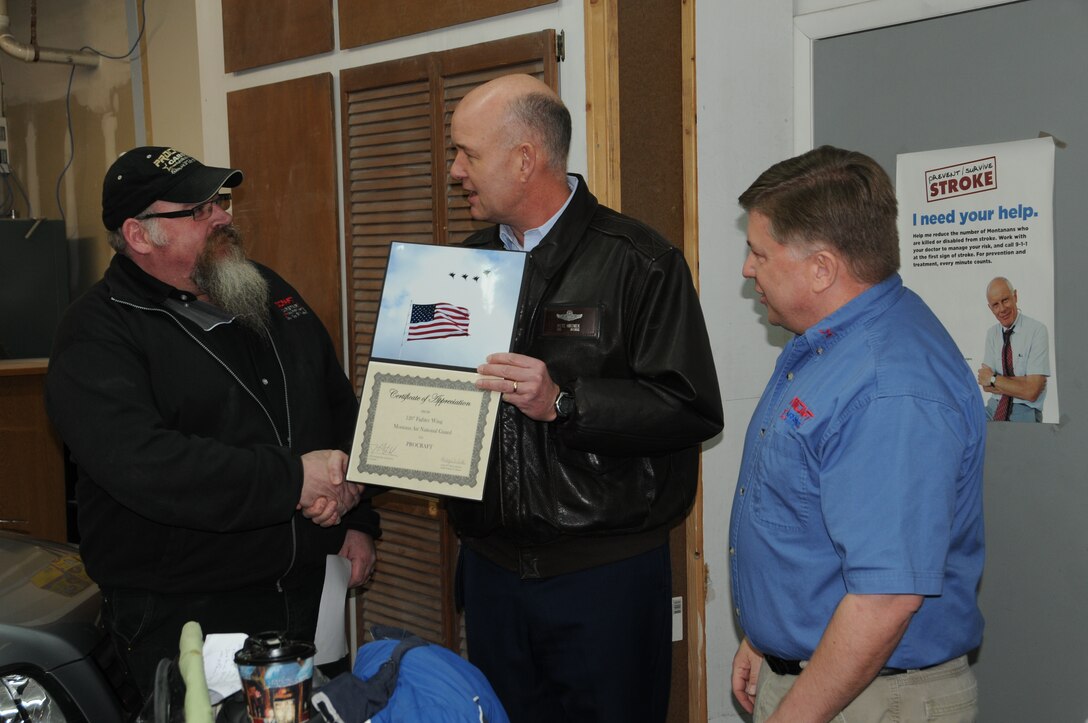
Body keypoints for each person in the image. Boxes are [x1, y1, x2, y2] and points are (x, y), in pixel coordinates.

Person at [45, 146, 380, 699]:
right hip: (189, 616)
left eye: (218, 200)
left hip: (309, 598)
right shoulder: (96, 334)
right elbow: (150, 467)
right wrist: (294, 482)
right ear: (138, 234)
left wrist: (359, 514)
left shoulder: (269, 292)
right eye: (197, 210)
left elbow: (336, 410)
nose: (224, 215)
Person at [445, 74, 723, 722]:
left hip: (603, 579)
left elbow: (691, 407)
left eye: (467, 154)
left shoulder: (639, 262)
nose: (455, 170)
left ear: (523, 159)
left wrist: (566, 402)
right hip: (491, 574)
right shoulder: (460, 265)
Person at [729, 146, 986, 722]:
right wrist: (769, 641)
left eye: (759, 252)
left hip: (874, 700)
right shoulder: (832, 344)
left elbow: (886, 598)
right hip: (824, 677)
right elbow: (809, 521)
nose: (748, 269)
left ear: (821, 268)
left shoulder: (889, 385)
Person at [976, 276, 1049, 422]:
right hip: (992, 408)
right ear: (990, 308)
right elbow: (985, 385)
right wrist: (1023, 383)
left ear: (1015, 296)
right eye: (995, 305)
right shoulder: (992, 334)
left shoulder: (1037, 330)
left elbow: (1032, 392)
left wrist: (993, 378)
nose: (1002, 309)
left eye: (1005, 300)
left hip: (1024, 411)